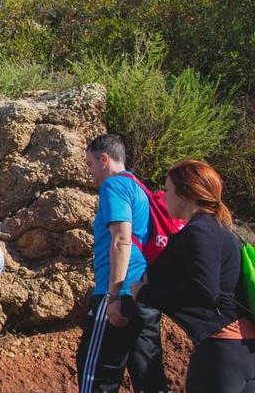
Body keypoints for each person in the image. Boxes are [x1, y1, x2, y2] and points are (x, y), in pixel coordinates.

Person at [132, 160, 255, 392]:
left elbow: (204, 289)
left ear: (184, 193)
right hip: (244, 351)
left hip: (222, 353)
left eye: (168, 190)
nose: (164, 195)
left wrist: (145, 293)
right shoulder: (223, 230)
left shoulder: (200, 231)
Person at [77, 134, 168, 393]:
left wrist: (113, 295)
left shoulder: (114, 186)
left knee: (95, 377)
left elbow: (121, 240)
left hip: (120, 293)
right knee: (149, 378)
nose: (90, 172)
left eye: (90, 164)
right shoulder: (140, 187)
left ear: (104, 159)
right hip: (144, 295)